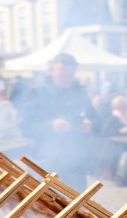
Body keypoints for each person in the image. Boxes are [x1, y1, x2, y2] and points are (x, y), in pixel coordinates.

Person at [21, 54, 98, 191]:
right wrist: (51, 126)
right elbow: (25, 128)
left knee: (75, 209)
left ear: (74, 72)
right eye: (60, 72)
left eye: (68, 73)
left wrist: (90, 124)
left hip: (76, 163)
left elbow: (98, 122)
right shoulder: (38, 93)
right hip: (45, 162)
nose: (64, 77)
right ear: (52, 71)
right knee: (46, 209)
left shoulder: (81, 93)